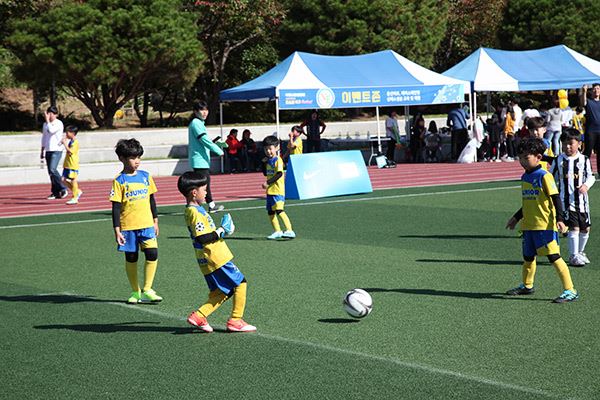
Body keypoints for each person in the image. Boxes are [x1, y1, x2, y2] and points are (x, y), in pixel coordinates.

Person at [177, 171, 256, 333]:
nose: (206, 193)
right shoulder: (195, 212)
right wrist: (221, 230)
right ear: (194, 192)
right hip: (215, 256)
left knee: (222, 291)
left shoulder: (193, 210)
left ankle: (199, 316)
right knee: (241, 283)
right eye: (204, 189)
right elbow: (202, 238)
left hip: (206, 259)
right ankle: (236, 319)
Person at [505, 137, 579, 303]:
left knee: (554, 256)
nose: (522, 161)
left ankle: (570, 290)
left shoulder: (544, 176)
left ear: (538, 157)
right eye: (520, 157)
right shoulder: (525, 177)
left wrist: (560, 219)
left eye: (526, 157)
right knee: (528, 257)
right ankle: (527, 285)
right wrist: (516, 218)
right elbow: (528, 202)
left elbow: (556, 198)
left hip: (545, 225)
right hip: (529, 225)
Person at [110, 138, 162, 304]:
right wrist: (117, 230)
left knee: (152, 253)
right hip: (128, 227)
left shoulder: (146, 176)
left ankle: (148, 289)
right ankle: (135, 291)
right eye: (133, 158)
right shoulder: (119, 181)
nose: (137, 161)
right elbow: (116, 207)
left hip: (147, 225)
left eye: (139, 157)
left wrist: (155, 220)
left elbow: (152, 200)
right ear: (122, 159)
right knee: (131, 257)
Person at [550, 129, 595, 267]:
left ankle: (580, 252)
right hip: (566, 202)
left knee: (585, 228)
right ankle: (573, 255)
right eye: (564, 144)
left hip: (582, 202)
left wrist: (586, 185)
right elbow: (551, 177)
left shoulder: (584, 160)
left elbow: (591, 176)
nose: (567, 147)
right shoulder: (559, 160)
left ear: (579, 144)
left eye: (570, 143)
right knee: (574, 228)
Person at [188, 101, 225, 213]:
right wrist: (218, 150)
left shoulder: (199, 123)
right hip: (199, 160)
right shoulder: (196, 123)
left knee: (202, 184)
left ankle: (199, 205)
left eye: (206, 110)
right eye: (201, 110)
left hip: (201, 159)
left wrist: (217, 144)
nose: (205, 112)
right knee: (203, 184)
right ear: (195, 112)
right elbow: (203, 140)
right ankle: (210, 205)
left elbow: (204, 140)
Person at [261, 136, 295, 240]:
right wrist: (263, 163)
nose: (268, 151)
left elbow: (279, 174)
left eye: (270, 148)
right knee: (270, 212)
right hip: (270, 191)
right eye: (266, 149)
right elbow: (264, 173)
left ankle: (289, 230)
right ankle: (277, 231)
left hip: (278, 191)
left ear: (276, 148)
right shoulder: (268, 161)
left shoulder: (278, 160)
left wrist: (268, 182)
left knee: (279, 210)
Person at [41, 106, 67, 199]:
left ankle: (63, 187)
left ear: (56, 114)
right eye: (48, 113)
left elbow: (51, 130)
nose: (49, 115)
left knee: (53, 169)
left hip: (56, 150)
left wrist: (48, 121)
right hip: (48, 149)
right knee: (50, 172)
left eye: (51, 113)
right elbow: (44, 137)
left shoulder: (58, 123)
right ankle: (55, 192)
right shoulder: (45, 124)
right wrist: (42, 149)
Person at [61, 125, 83, 205]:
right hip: (67, 164)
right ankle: (77, 191)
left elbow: (70, 152)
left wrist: (64, 144)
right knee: (63, 180)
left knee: (73, 180)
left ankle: (75, 197)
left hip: (72, 164)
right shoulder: (71, 141)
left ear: (73, 133)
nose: (66, 134)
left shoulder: (75, 143)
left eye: (68, 132)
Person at [580, 84, 600, 174]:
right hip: (591, 131)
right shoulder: (589, 101)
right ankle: (585, 170)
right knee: (588, 151)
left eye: (598, 88)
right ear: (591, 91)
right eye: (594, 89)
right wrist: (584, 91)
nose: (596, 90)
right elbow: (583, 102)